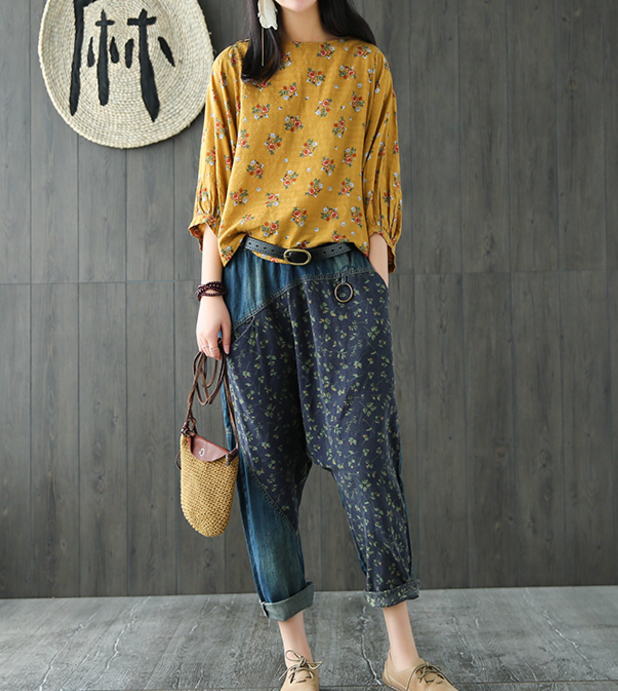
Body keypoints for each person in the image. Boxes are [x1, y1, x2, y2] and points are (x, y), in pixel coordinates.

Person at [189, 1, 458, 689]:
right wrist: (211, 292)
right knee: (266, 476)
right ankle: (298, 662)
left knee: (371, 463)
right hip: (251, 286)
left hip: (343, 283)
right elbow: (214, 193)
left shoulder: (365, 66)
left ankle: (403, 658)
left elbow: (381, 179)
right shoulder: (233, 71)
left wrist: (375, 279)